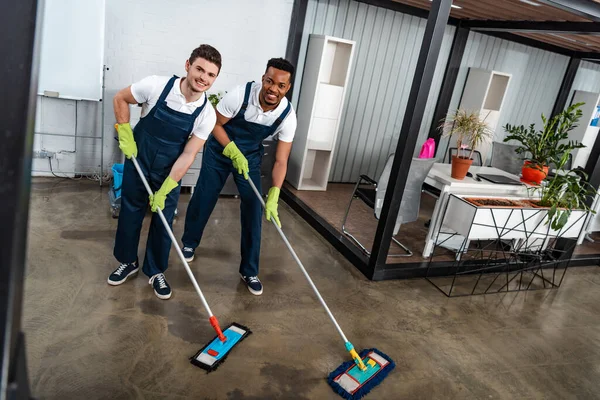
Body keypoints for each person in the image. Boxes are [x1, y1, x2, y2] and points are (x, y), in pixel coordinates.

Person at [107, 44, 222, 300]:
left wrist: (169, 186)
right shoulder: (157, 86)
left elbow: (188, 154)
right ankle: (128, 261)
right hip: (140, 158)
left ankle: (156, 270)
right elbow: (120, 98)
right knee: (131, 210)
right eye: (199, 69)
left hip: (170, 169)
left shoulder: (206, 114)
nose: (203, 78)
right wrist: (125, 130)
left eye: (211, 74)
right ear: (187, 65)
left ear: (215, 78)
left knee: (163, 218)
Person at [181, 58, 297, 296]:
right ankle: (189, 243)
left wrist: (275, 192)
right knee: (205, 196)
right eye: (269, 81)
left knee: (254, 206)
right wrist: (232, 150)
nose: (273, 89)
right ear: (263, 79)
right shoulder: (240, 95)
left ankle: (249, 270)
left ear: (288, 88)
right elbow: (215, 124)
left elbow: (281, 160)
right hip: (221, 150)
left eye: (281, 86)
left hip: (251, 157)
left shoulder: (287, 115)